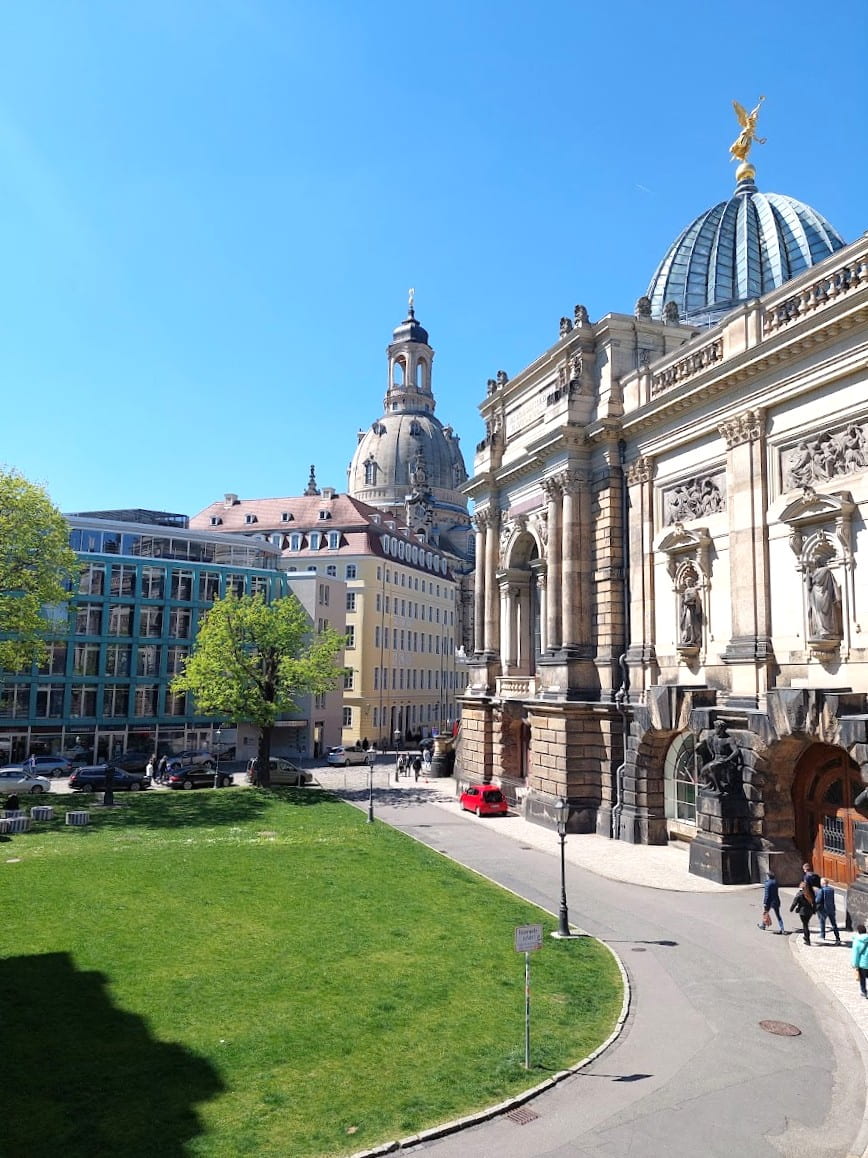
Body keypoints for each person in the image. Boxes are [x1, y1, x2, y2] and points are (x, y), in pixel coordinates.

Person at [758, 870, 785, 934]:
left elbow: (767, 894)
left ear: (768, 876)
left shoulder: (767, 883)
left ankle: (763, 926)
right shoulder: (775, 882)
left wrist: (765, 902)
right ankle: (782, 928)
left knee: (766, 913)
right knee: (778, 915)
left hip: (769, 902)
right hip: (776, 900)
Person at [815, 878, 842, 944]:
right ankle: (837, 938)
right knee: (834, 924)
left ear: (822, 883)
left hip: (823, 909)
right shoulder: (831, 889)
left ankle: (822, 935)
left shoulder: (821, 890)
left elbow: (818, 900)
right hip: (831, 908)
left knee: (822, 922)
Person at [790, 880, 816, 945]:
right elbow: (814, 902)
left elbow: (795, 902)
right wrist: (814, 910)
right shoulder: (811, 893)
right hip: (809, 911)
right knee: (806, 924)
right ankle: (806, 937)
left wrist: (791, 909)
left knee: (805, 925)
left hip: (803, 912)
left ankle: (807, 939)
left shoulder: (800, 894)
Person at [852, 924, 868, 998]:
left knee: (862, 978)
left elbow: (855, 954)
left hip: (862, 964)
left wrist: (855, 965)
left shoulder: (857, 941)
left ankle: (864, 991)